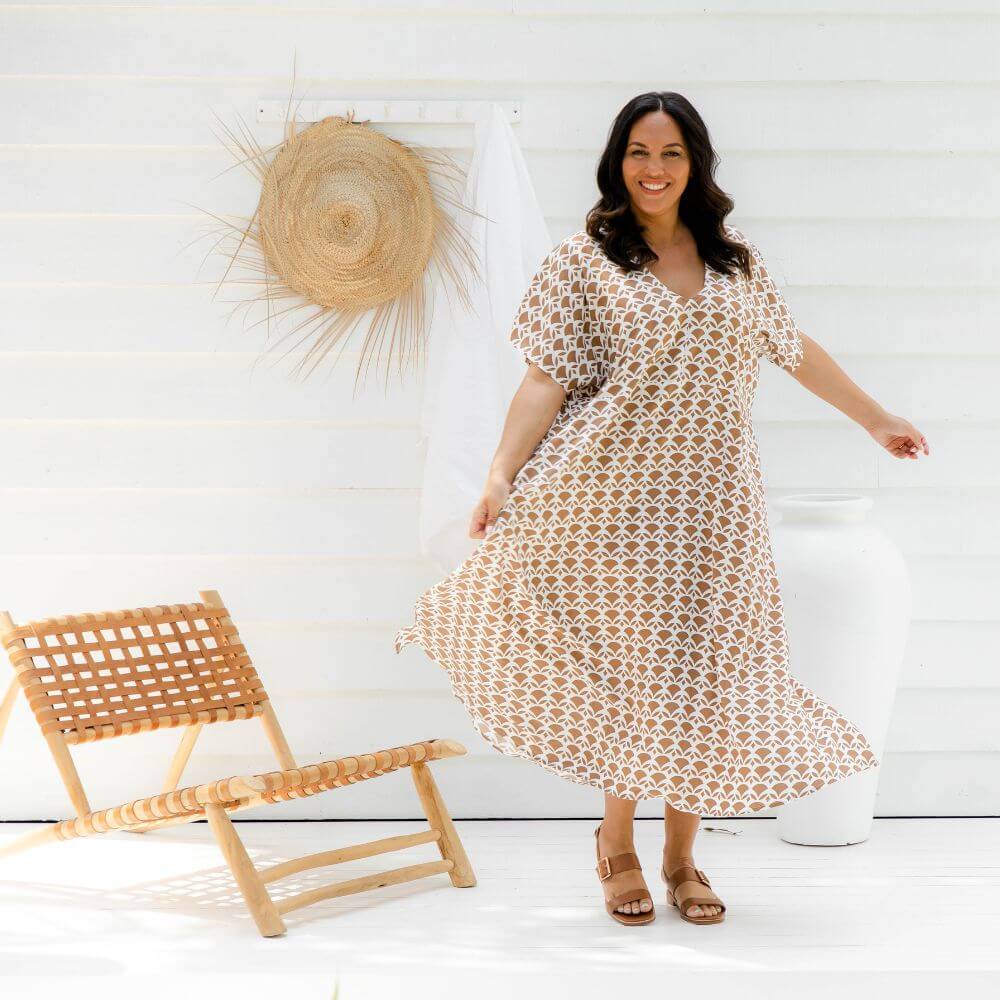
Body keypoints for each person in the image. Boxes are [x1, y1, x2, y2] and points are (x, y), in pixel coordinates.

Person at [394, 91, 928, 927]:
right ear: (618, 161)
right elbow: (546, 378)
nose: (654, 168)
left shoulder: (735, 259)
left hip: (716, 510)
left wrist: (877, 417)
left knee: (706, 678)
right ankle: (617, 844)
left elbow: (792, 347)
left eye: (671, 152)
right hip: (614, 503)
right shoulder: (586, 258)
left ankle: (684, 855)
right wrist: (500, 474)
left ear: (696, 164)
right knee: (640, 675)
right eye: (640, 152)